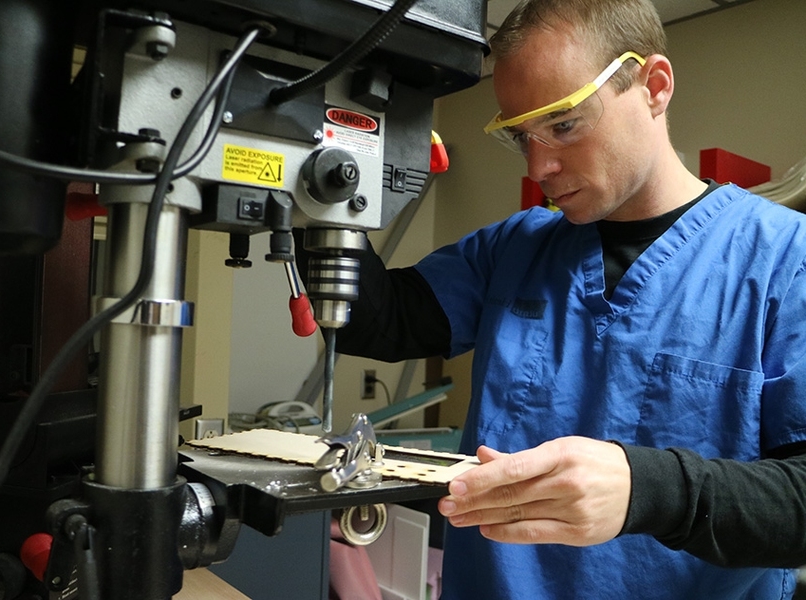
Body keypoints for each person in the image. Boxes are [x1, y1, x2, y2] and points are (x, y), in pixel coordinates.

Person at [311, 0, 806, 598]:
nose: (541, 164)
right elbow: (381, 322)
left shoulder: (784, 261)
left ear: (653, 86)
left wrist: (649, 490)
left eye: (565, 124)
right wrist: (316, 191)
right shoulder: (516, 248)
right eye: (522, 137)